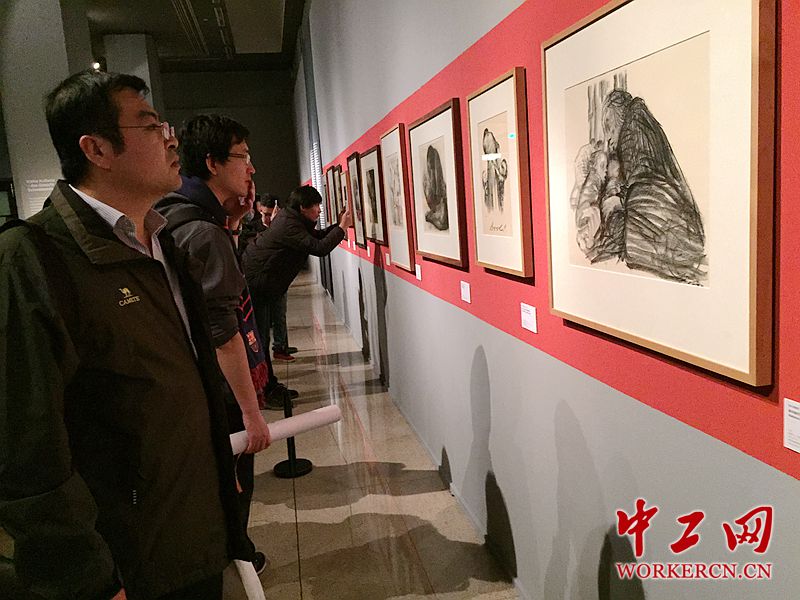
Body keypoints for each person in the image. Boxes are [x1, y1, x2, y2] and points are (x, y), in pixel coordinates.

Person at [0, 70, 252, 600]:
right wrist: (86, 578)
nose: (170, 139)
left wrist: (215, 471)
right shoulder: (33, 259)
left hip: (190, 530)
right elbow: (27, 447)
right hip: (125, 560)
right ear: (97, 149)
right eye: (150, 126)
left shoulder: (162, 243)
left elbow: (186, 376)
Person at [243, 185, 352, 353]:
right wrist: (341, 228)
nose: (319, 210)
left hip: (263, 279)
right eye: (316, 206)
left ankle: (269, 365)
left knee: (263, 332)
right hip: (258, 281)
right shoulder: (289, 224)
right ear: (303, 207)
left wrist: (339, 226)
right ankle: (264, 369)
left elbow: (316, 237)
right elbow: (319, 248)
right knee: (261, 335)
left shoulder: (291, 219)